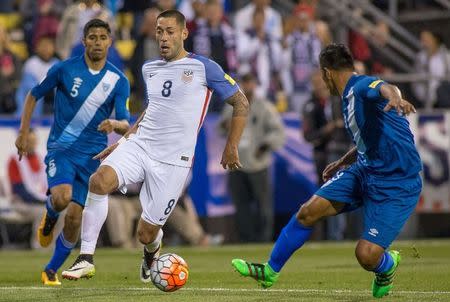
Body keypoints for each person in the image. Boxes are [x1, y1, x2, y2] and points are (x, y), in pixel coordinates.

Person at [61, 9, 248, 282]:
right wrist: (123, 141)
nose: (163, 37)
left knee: (145, 234)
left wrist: (231, 146)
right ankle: (86, 258)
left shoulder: (204, 67)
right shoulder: (150, 69)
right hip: (140, 146)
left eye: (170, 31)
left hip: (173, 161)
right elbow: (151, 110)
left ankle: (151, 253)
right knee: (99, 181)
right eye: (159, 31)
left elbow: (241, 102)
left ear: (184, 33)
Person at [232, 43, 422, 299]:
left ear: (327, 73)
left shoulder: (359, 86)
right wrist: (344, 160)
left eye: (322, 76)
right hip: (365, 169)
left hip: (397, 182)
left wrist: (396, 97)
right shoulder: (346, 100)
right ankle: (270, 271)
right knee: (308, 212)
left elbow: (385, 88)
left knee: (366, 255)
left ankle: (386, 266)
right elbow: (371, 138)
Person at [15, 19, 130, 286]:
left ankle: (51, 269)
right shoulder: (65, 69)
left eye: (103, 37)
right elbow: (33, 94)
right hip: (62, 149)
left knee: (75, 218)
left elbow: (126, 123)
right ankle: (50, 213)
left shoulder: (118, 80)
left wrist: (115, 123)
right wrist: (23, 132)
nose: (98, 42)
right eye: (92, 37)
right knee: (61, 199)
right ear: (84, 41)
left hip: (92, 158)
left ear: (110, 41)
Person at [218, 73, 285, 242]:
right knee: (241, 206)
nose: (247, 86)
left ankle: (264, 239)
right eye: (244, 82)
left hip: (258, 163)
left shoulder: (264, 106)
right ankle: (246, 239)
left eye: (249, 82)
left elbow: (278, 132)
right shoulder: (231, 106)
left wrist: (265, 145)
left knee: (263, 206)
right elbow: (220, 128)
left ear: (255, 84)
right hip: (236, 163)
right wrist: (225, 126)